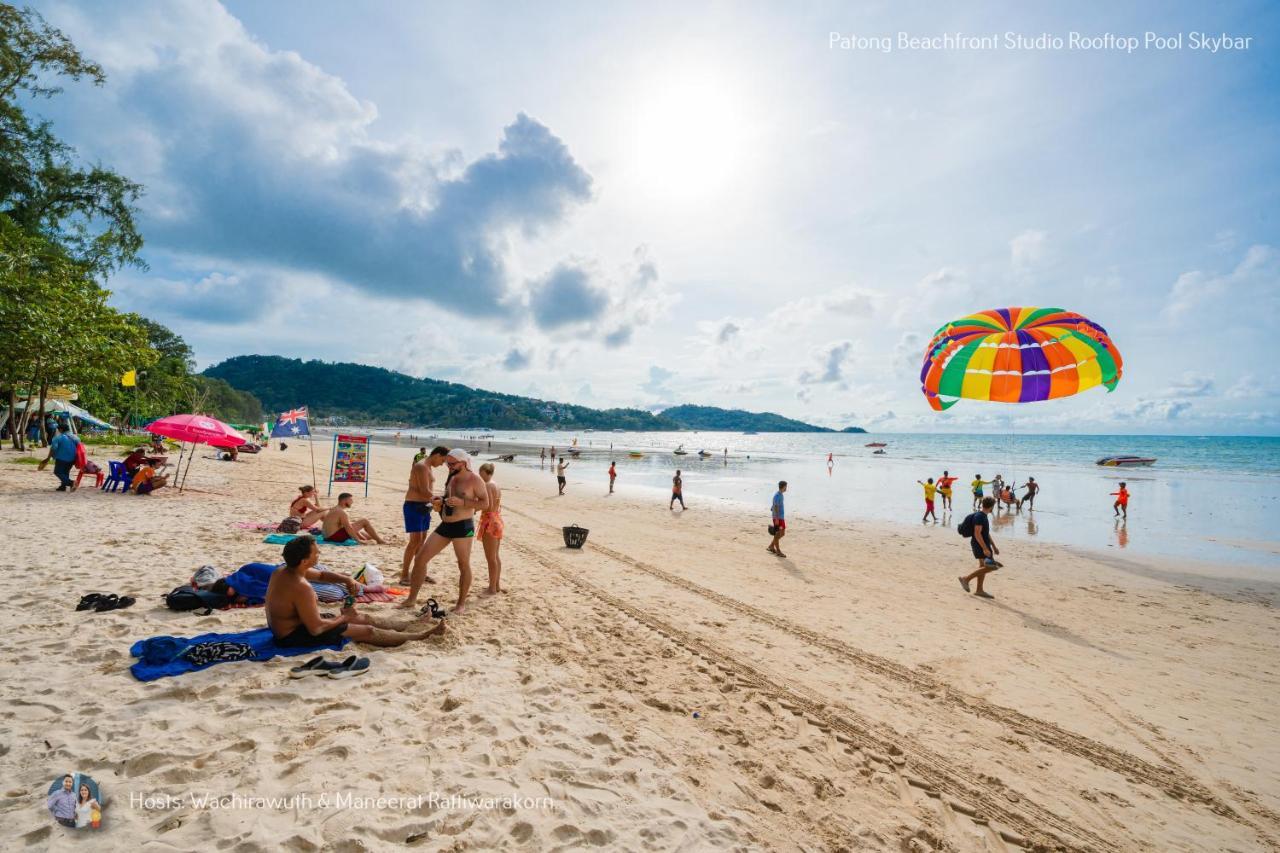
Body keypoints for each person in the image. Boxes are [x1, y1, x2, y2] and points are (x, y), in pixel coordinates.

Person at [267, 536, 444, 647]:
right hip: (292, 636)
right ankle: (419, 636)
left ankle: (408, 624)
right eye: (315, 553)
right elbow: (316, 629)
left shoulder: (284, 570)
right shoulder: (301, 587)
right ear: (304, 561)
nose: (319, 553)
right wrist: (345, 617)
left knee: (363, 618)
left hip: (299, 624)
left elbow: (321, 575)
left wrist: (346, 579)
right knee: (367, 630)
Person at [403, 449, 490, 614]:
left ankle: (461, 604)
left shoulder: (475, 479)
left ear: (463, 463)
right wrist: (439, 503)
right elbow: (446, 498)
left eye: (452, 463)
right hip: (445, 525)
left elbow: (485, 504)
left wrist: (463, 502)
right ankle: (411, 599)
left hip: (463, 527)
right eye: (447, 463)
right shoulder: (452, 477)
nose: (448, 466)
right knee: (421, 558)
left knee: (463, 564)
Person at [400, 446, 449, 585]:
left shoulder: (428, 466)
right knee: (414, 542)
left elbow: (427, 490)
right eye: (442, 460)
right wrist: (438, 500)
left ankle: (420, 572)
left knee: (421, 543)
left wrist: (436, 500)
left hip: (424, 506)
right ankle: (404, 575)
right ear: (437, 455)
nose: (441, 464)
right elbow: (423, 490)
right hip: (414, 505)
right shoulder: (421, 466)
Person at [958, 497, 1002, 599]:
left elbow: (985, 533)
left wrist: (994, 546)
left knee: (983, 566)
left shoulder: (982, 516)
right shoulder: (980, 517)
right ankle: (966, 579)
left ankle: (979, 590)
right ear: (991, 506)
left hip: (982, 544)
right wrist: (985, 548)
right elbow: (977, 533)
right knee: (991, 566)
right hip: (979, 544)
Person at [477, 463, 505, 595]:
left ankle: (492, 588)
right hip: (497, 519)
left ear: (487, 472)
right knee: (495, 556)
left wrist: (474, 506)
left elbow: (488, 506)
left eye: (480, 473)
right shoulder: (496, 484)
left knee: (491, 558)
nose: (479, 475)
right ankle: (496, 585)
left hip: (490, 521)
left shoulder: (488, 485)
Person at [321, 493, 388, 544]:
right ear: (344, 500)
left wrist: (363, 538)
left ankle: (378, 538)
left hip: (328, 537)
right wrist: (358, 540)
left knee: (364, 533)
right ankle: (379, 541)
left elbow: (347, 527)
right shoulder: (341, 512)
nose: (352, 502)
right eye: (351, 500)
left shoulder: (334, 509)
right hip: (334, 538)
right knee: (364, 521)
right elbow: (348, 528)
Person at [41, 423, 81, 491]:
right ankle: (63, 487)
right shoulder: (76, 437)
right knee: (65, 472)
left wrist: (48, 458)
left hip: (62, 458)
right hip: (73, 458)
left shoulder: (58, 437)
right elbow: (79, 447)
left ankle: (71, 483)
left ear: (61, 429)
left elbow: (53, 448)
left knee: (58, 472)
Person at [768, 481, 788, 557]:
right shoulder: (777, 495)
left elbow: (774, 506)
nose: (786, 488)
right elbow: (776, 507)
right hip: (778, 517)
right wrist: (776, 518)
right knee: (778, 533)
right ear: (783, 487)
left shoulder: (781, 495)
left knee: (782, 533)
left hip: (781, 517)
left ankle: (771, 546)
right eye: (786, 486)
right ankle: (778, 551)